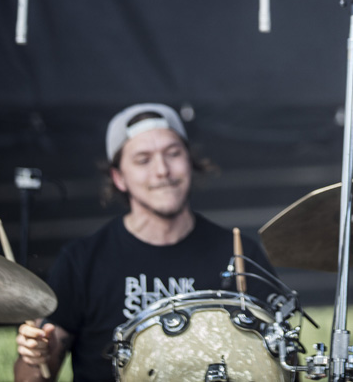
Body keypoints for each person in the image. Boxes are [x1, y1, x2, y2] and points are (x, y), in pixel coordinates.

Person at [14, 103, 279, 382]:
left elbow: (282, 364)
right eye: (143, 159)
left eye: (173, 154)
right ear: (119, 177)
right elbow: (32, 377)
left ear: (189, 160)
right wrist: (37, 356)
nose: (162, 170)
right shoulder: (82, 260)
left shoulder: (239, 253)